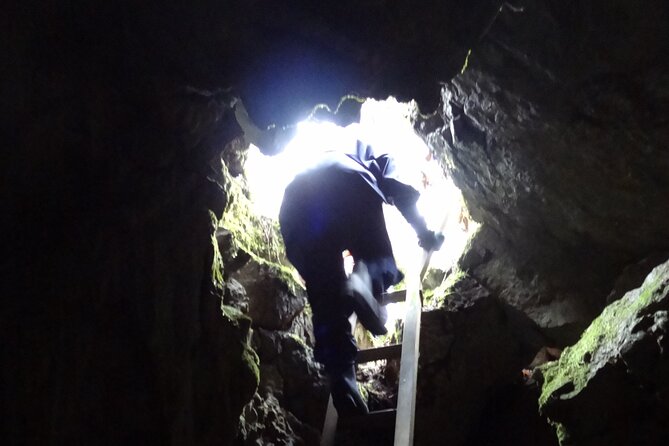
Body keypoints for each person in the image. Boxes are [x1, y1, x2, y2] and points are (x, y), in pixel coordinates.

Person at [276, 98, 444, 415]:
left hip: (295, 207)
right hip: (346, 181)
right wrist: (424, 232)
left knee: (326, 299)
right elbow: (397, 187)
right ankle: (367, 278)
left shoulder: (317, 151)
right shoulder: (373, 146)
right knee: (379, 261)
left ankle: (342, 377)